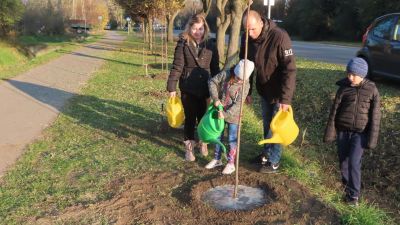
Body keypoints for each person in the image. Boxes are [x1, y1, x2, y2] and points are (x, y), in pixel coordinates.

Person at [239, 10, 296, 173]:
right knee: (266, 124)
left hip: (280, 91)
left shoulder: (279, 37)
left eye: (252, 29)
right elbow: (245, 65)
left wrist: (286, 99)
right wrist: (247, 92)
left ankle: (274, 160)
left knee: (276, 127)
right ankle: (266, 153)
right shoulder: (247, 39)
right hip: (264, 90)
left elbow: (290, 69)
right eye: (246, 30)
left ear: (261, 23)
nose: (250, 33)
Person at [324, 57, 381, 206]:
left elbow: (375, 116)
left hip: (360, 134)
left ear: (362, 74)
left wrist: (372, 139)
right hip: (343, 131)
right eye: (348, 73)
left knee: (354, 162)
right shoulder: (343, 89)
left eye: (353, 74)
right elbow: (334, 112)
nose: (350, 77)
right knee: (343, 162)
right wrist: (331, 132)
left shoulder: (372, 90)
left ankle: (354, 196)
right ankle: (347, 187)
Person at [167, 14, 220, 162]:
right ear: (189, 28)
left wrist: (219, 89)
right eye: (195, 28)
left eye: (201, 28)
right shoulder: (183, 43)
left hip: (206, 88)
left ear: (205, 28)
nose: (198, 32)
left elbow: (215, 68)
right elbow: (177, 66)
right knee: (190, 118)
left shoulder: (211, 44)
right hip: (188, 87)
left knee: (204, 117)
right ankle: (189, 147)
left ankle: (203, 142)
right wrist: (172, 87)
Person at [205, 59, 255, 174]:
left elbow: (238, 105)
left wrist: (226, 114)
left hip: (234, 116)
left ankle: (231, 163)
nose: (240, 80)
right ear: (235, 72)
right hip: (220, 109)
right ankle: (217, 159)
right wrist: (216, 99)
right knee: (218, 135)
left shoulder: (246, 85)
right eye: (238, 78)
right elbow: (212, 82)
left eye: (242, 79)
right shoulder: (226, 73)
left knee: (232, 139)